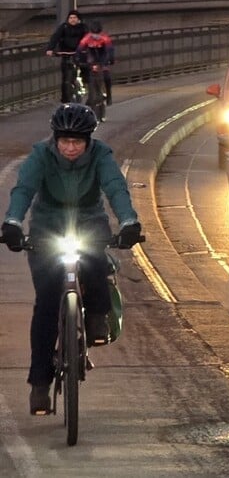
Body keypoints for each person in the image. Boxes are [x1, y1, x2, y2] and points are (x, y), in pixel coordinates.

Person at [0, 104, 142, 415]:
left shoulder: (102, 156)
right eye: (65, 141)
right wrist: (12, 223)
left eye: (77, 141)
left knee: (95, 264)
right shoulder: (40, 155)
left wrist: (129, 222)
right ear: (55, 139)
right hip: (46, 227)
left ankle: (96, 317)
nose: (70, 147)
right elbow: (24, 189)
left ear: (89, 140)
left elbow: (116, 188)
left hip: (89, 221)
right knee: (47, 303)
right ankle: (40, 384)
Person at [46, 10, 89, 104]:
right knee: (65, 78)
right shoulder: (64, 27)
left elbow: (87, 38)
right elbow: (55, 37)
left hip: (79, 53)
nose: (72, 20)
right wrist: (50, 49)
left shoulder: (83, 28)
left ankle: (86, 84)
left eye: (74, 18)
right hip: (66, 53)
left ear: (78, 19)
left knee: (85, 68)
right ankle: (65, 99)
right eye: (70, 18)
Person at [77, 20, 116, 107]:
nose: (95, 35)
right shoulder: (87, 38)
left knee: (106, 76)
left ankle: (109, 94)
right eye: (94, 33)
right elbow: (79, 49)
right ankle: (90, 94)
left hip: (102, 56)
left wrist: (110, 60)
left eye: (97, 33)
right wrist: (78, 59)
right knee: (87, 72)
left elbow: (110, 50)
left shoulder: (105, 38)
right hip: (92, 57)